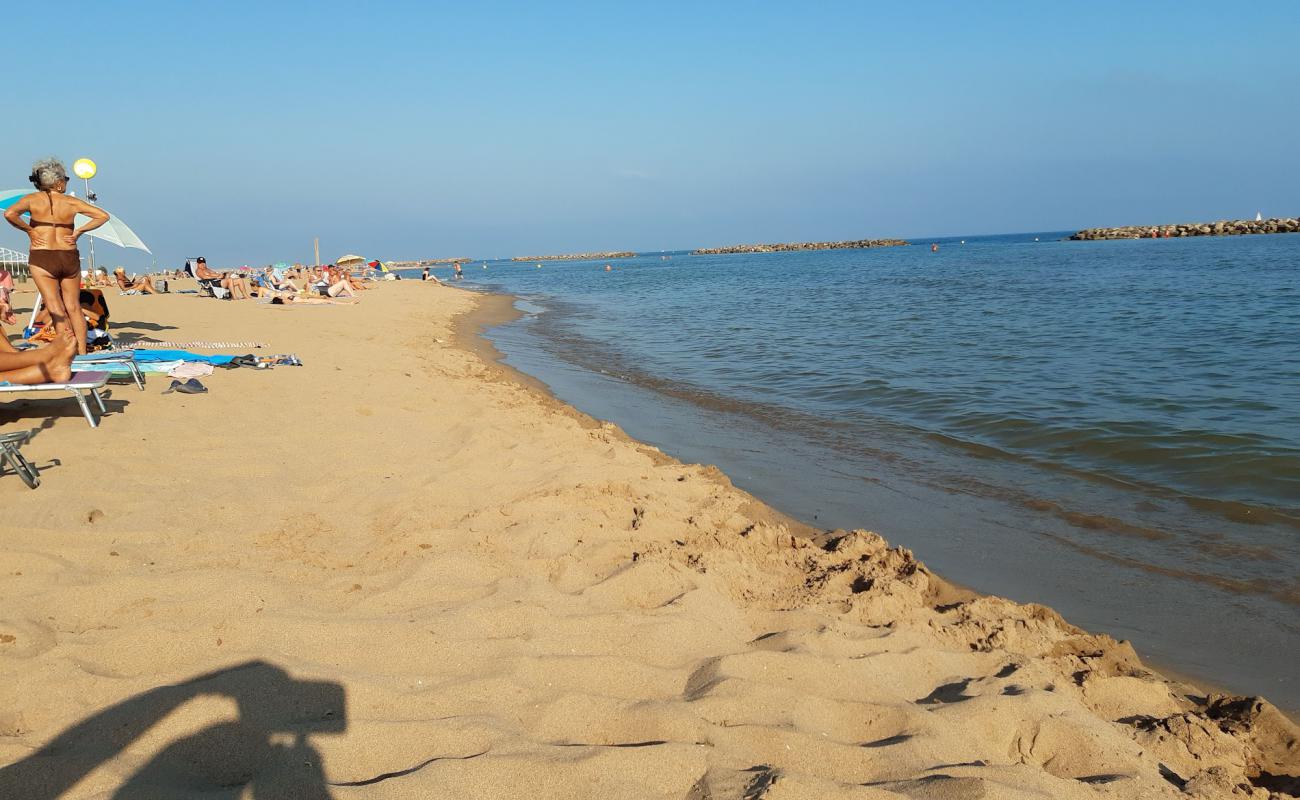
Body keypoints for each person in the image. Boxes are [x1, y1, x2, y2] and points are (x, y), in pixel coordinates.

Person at [3, 158, 110, 355]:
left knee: (55, 307)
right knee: (73, 307)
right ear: (58, 182)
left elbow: (10, 214)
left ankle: (68, 353)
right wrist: (79, 232)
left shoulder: (31, 200)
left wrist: (30, 231)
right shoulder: (71, 202)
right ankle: (82, 352)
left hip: (42, 256)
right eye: (66, 179)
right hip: (68, 254)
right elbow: (103, 216)